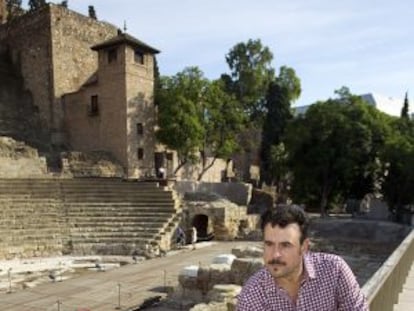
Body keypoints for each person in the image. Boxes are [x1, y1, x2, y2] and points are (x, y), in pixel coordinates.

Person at [237, 205, 369, 311]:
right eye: (269, 244)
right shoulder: (252, 296)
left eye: (285, 245)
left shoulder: (334, 271)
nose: (275, 254)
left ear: (304, 247)